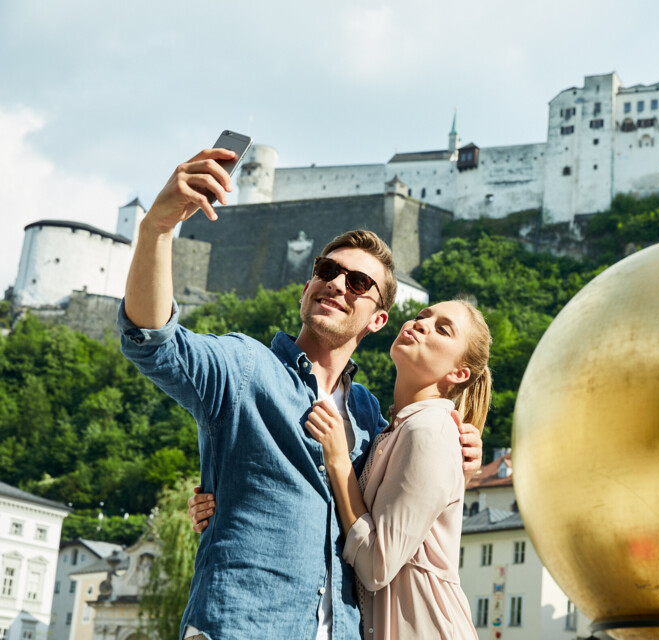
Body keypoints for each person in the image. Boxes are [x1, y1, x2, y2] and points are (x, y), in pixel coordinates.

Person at [118, 148, 483, 640]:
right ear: (305, 288)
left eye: (357, 282)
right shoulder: (246, 368)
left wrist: (467, 452)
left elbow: (410, 486)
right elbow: (155, 341)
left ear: (378, 320)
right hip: (244, 626)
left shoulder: (373, 418)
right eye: (325, 270)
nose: (336, 284)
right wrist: (158, 229)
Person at [198, 300, 491, 639]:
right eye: (423, 316)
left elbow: (375, 566)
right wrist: (226, 499)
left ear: (459, 374)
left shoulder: (429, 430)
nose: (421, 323)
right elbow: (338, 512)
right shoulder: (387, 430)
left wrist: (338, 460)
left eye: (442, 329)